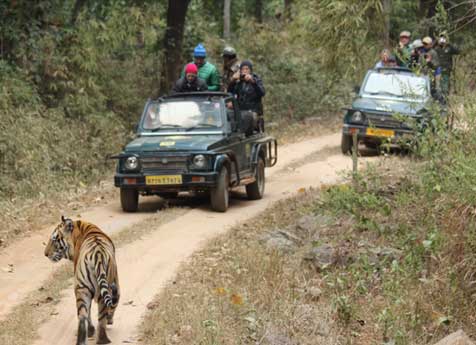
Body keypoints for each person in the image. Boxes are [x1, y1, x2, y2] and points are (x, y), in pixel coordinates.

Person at [228, 60, 266, 132]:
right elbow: (229, 91)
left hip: (253, 111)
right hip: (240, 111)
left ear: (250, 70)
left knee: (246, 118)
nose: (244, 71)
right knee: (230, 116)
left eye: (247, 69)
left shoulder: (256, 79)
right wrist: (232, 80)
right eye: (242, 69)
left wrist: (253, 82)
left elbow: (262, 93)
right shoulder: (239, 82)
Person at [434, 32, 460, 98]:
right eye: (441, 38)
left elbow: (458, 51)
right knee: (437, 87)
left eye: (444, 38)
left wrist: (449, 44)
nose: (442, 39)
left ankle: (445, 100)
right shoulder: (436, 48)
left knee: (445, 87)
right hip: (438, 71)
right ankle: (438, 100)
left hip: (446, 70)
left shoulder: (449, 48)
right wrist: (436, 42)